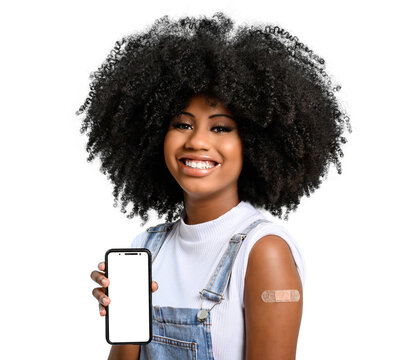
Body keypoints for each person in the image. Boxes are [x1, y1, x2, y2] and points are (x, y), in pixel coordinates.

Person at [80, 12, 350, 360]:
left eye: (220, 127)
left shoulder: (263, 252)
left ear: (253, 143)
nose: (197, 142)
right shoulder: (147, 247)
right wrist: (126, 320)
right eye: (182, 124)